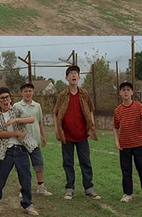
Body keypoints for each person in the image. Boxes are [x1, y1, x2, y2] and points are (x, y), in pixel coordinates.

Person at [0, 87, 39, 217]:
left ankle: (27, 204)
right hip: (7, 151)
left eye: (7, 97)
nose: (5, 100)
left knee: (25, 179)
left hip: (22, 150)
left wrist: (15, 120)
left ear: (10, 99)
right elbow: (1, 134)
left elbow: (31, 119)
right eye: (2, 98)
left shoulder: (17, 109)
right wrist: (17, 133)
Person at [53, 65, 101, 200]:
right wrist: (57, 130)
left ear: (79, 77)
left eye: (76, 73)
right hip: (67, 135)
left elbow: (91, 109)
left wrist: (91, 125)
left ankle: (89, 188)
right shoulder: (62, 95)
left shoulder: (84, 94)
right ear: (67, 78)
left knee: (85, 162)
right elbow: (56, 113)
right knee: (68, 162)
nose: (74, 76)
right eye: (71, 74)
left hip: (82, 135)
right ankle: (70, 188)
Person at [113, 80, 142, 203]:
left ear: (132, 92)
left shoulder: (138, 106)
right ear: (120, 93)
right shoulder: (118, 110)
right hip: (124, 145)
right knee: (126, 170)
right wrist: (117, 141)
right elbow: (115, 127)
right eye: (123, 90)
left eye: (128, 89)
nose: (126, 92)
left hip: (139, 144)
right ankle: (127, 194)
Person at [12, 81, 52, 196]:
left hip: (35, 141)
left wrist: (43, 136)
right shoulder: (17, 106)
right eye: (25, 91)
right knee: (23, 167)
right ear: (21, 92)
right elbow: (13, 124)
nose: (28, 93)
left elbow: (39, 122)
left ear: (33, 92)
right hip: (22, 142)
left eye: (30, 91)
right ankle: (24, 189)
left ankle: (41, 187)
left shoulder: (37, 106)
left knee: (39, 164)